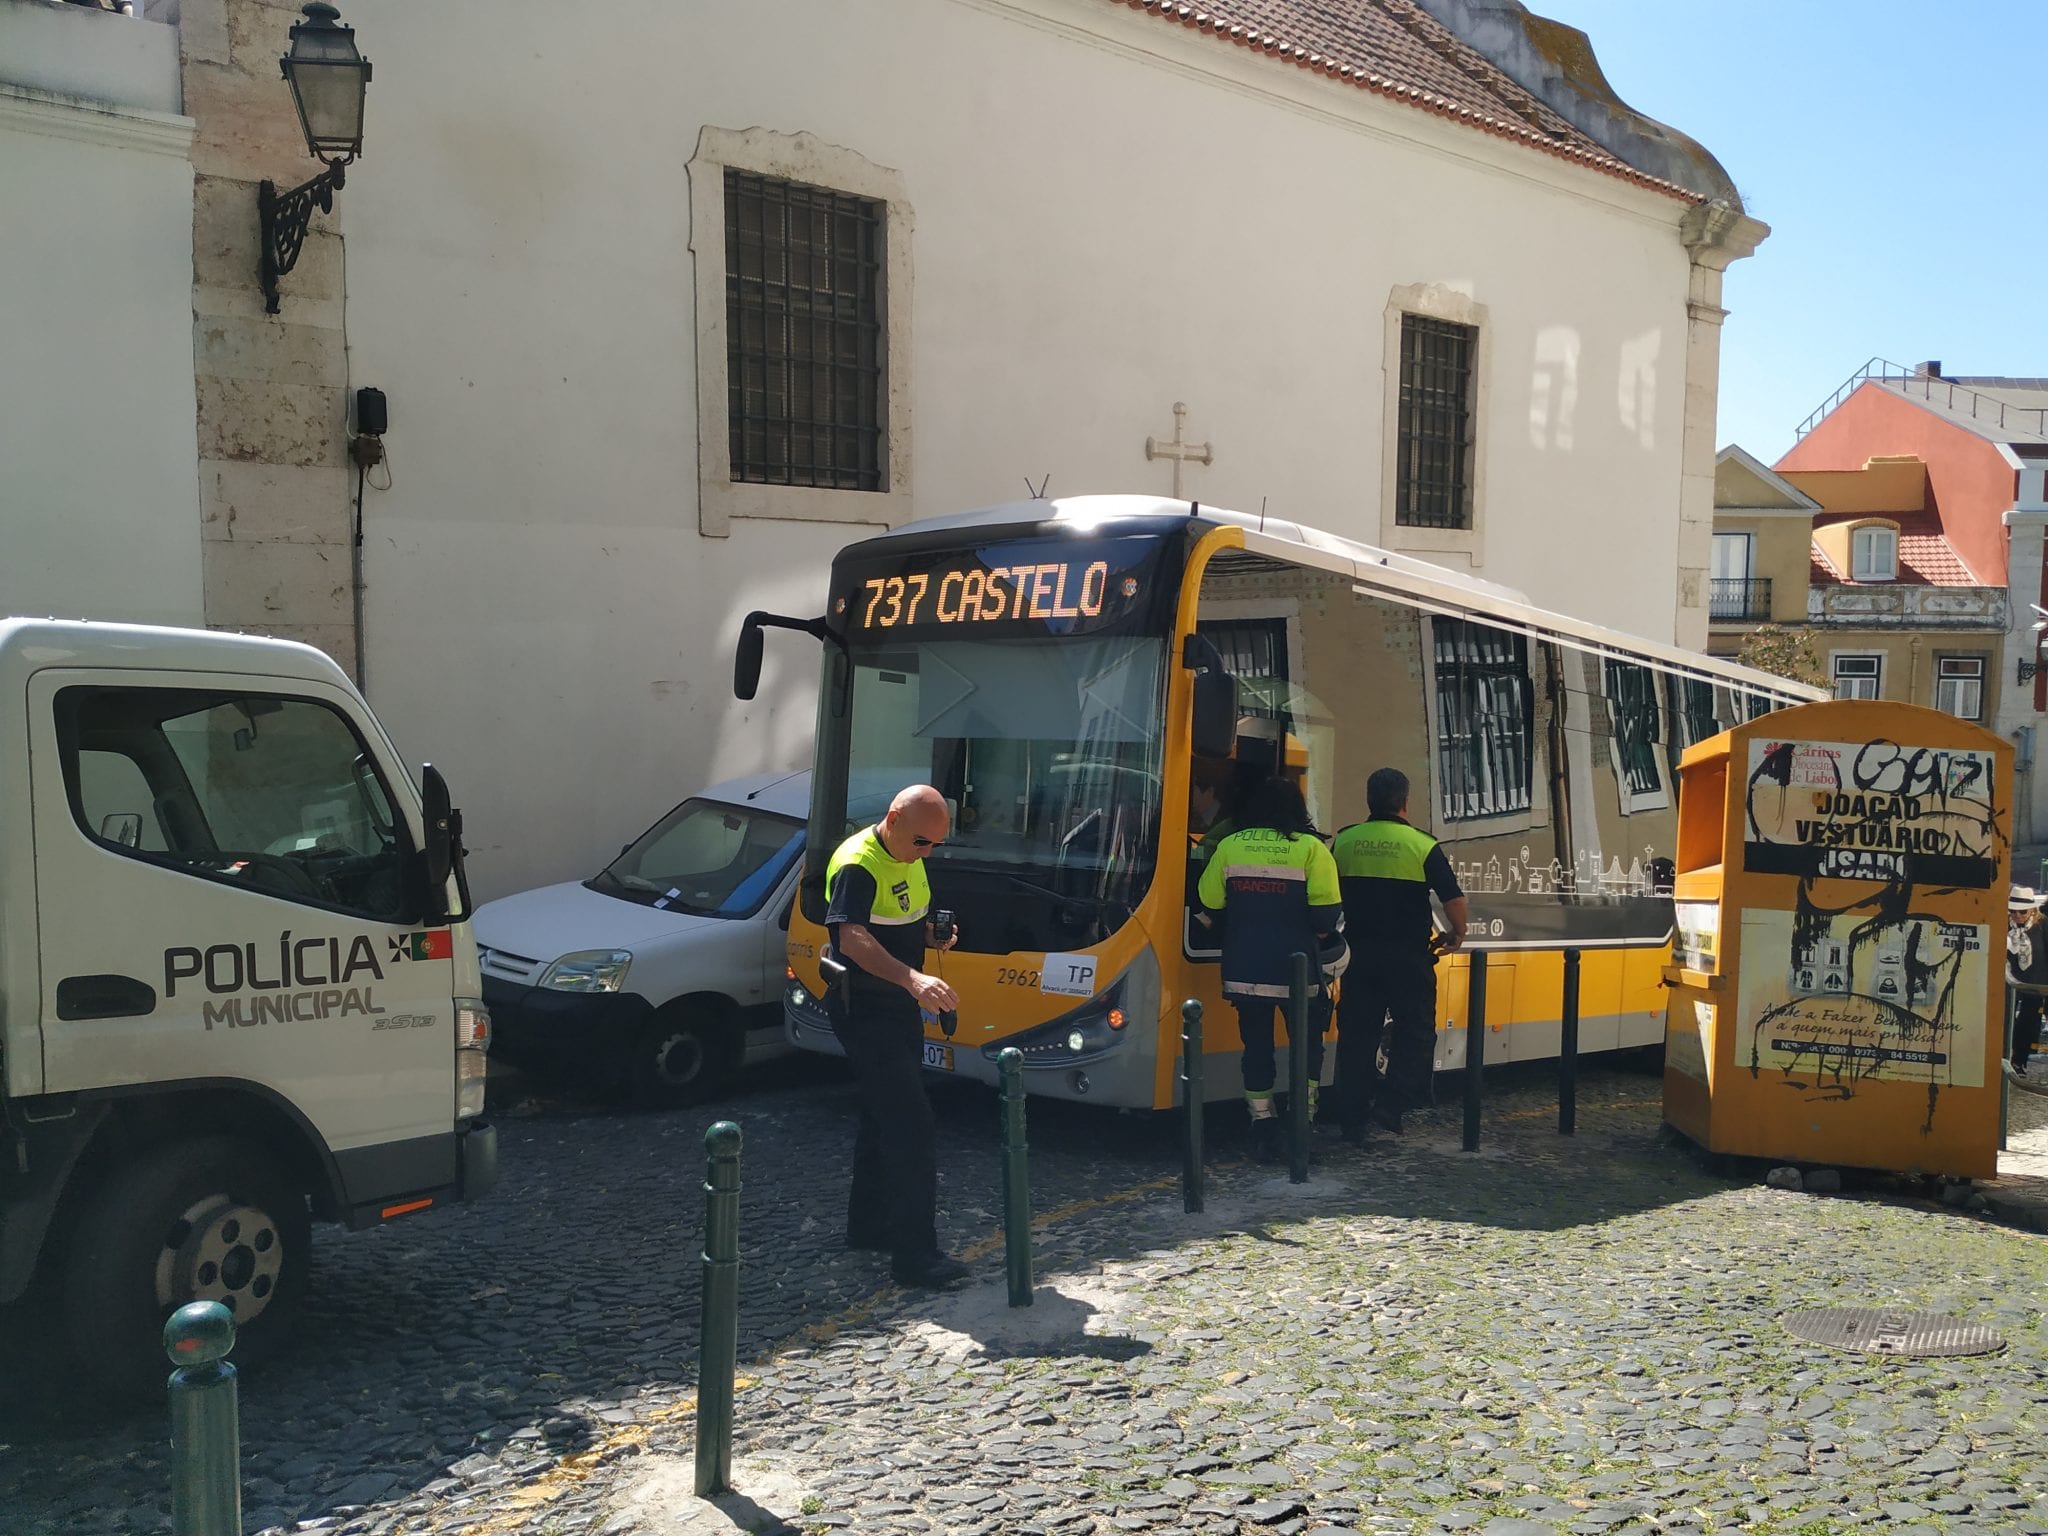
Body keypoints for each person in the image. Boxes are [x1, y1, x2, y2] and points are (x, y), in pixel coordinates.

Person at [822, 784, 970, 1289]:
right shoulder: (857, 862)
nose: (927, 852)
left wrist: (932, 937)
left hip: (896, 1007)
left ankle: (868, 1226)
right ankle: (915, 1257)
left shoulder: (907, 849)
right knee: (912, 1126)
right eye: (922, 842)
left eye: (935, 845)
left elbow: (902, 915)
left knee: (880, 1116)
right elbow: (851, 936)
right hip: (863, 1007)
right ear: (892, 819)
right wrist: (913, 977)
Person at [1197, 777, 1342, 1160]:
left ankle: (1262, 1124)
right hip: (1299, 973)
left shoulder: (1230, 845)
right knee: (1306, 1048)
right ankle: (1301, 1125)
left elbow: (1209, 901)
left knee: (1256, 1048)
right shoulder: (1311, 849)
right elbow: (1326, 916)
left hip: (1244, 969)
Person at [1331, 767, 1468, 1141]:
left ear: (1368, 800)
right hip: (1408, 957)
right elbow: (1453, 899)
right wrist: (1457, 933)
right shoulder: (1421, 845)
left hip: (1358, 955)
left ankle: (1352, 1119)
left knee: (1357, 1036)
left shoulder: (1345, 841)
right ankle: (1391, 1106)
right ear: (1405, 801)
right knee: (1417, 1032)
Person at [2007, 887, 2048, 1078]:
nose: (2017, 915)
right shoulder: (2003, 925)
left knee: (2029, 1022)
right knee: (2005, 1020)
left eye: (2022, 911)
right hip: (2008, 982)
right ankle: (2004, 1056)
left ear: (2032, 910)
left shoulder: (2042, 925)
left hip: (2036, 982)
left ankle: (2019, 1060)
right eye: (2013, 911)